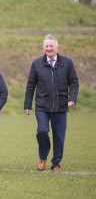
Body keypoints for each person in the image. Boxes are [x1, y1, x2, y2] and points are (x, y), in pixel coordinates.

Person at [24, 34, 79, 172]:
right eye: (46, 46)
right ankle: (42, 157)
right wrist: (27, 104)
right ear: (43, 48)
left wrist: (72, 98)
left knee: (59, 135)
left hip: (61, 105)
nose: (49, 48)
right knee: (42, 131)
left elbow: (74, 82)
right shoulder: (37, 63)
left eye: (51, 46)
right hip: (42, 106)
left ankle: (56, 164)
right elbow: (31, 85)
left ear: (57, 47)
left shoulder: (67, 63)